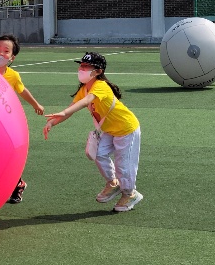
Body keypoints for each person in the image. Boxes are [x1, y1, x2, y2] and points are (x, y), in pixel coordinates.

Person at [43, 51, 143, 213]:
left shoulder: (101, 86)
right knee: (97, 153)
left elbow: (86, 101)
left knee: (124, 166)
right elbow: (71, 108)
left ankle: (130, 194)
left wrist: (63, 113)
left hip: (126, 129)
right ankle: (113, 183)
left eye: (87, 67)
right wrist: (53, 122)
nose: (82, 69)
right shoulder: (84, 88)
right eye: (81, 66)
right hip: (109, 129)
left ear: (98, 72)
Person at [0, 33, 45, 203]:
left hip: (5, 122)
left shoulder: (13, 76)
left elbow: (22, 90)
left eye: (6, 51)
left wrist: (36, 104)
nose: (0, 54)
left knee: (6, 155)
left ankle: (17, 184)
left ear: (12, 57)